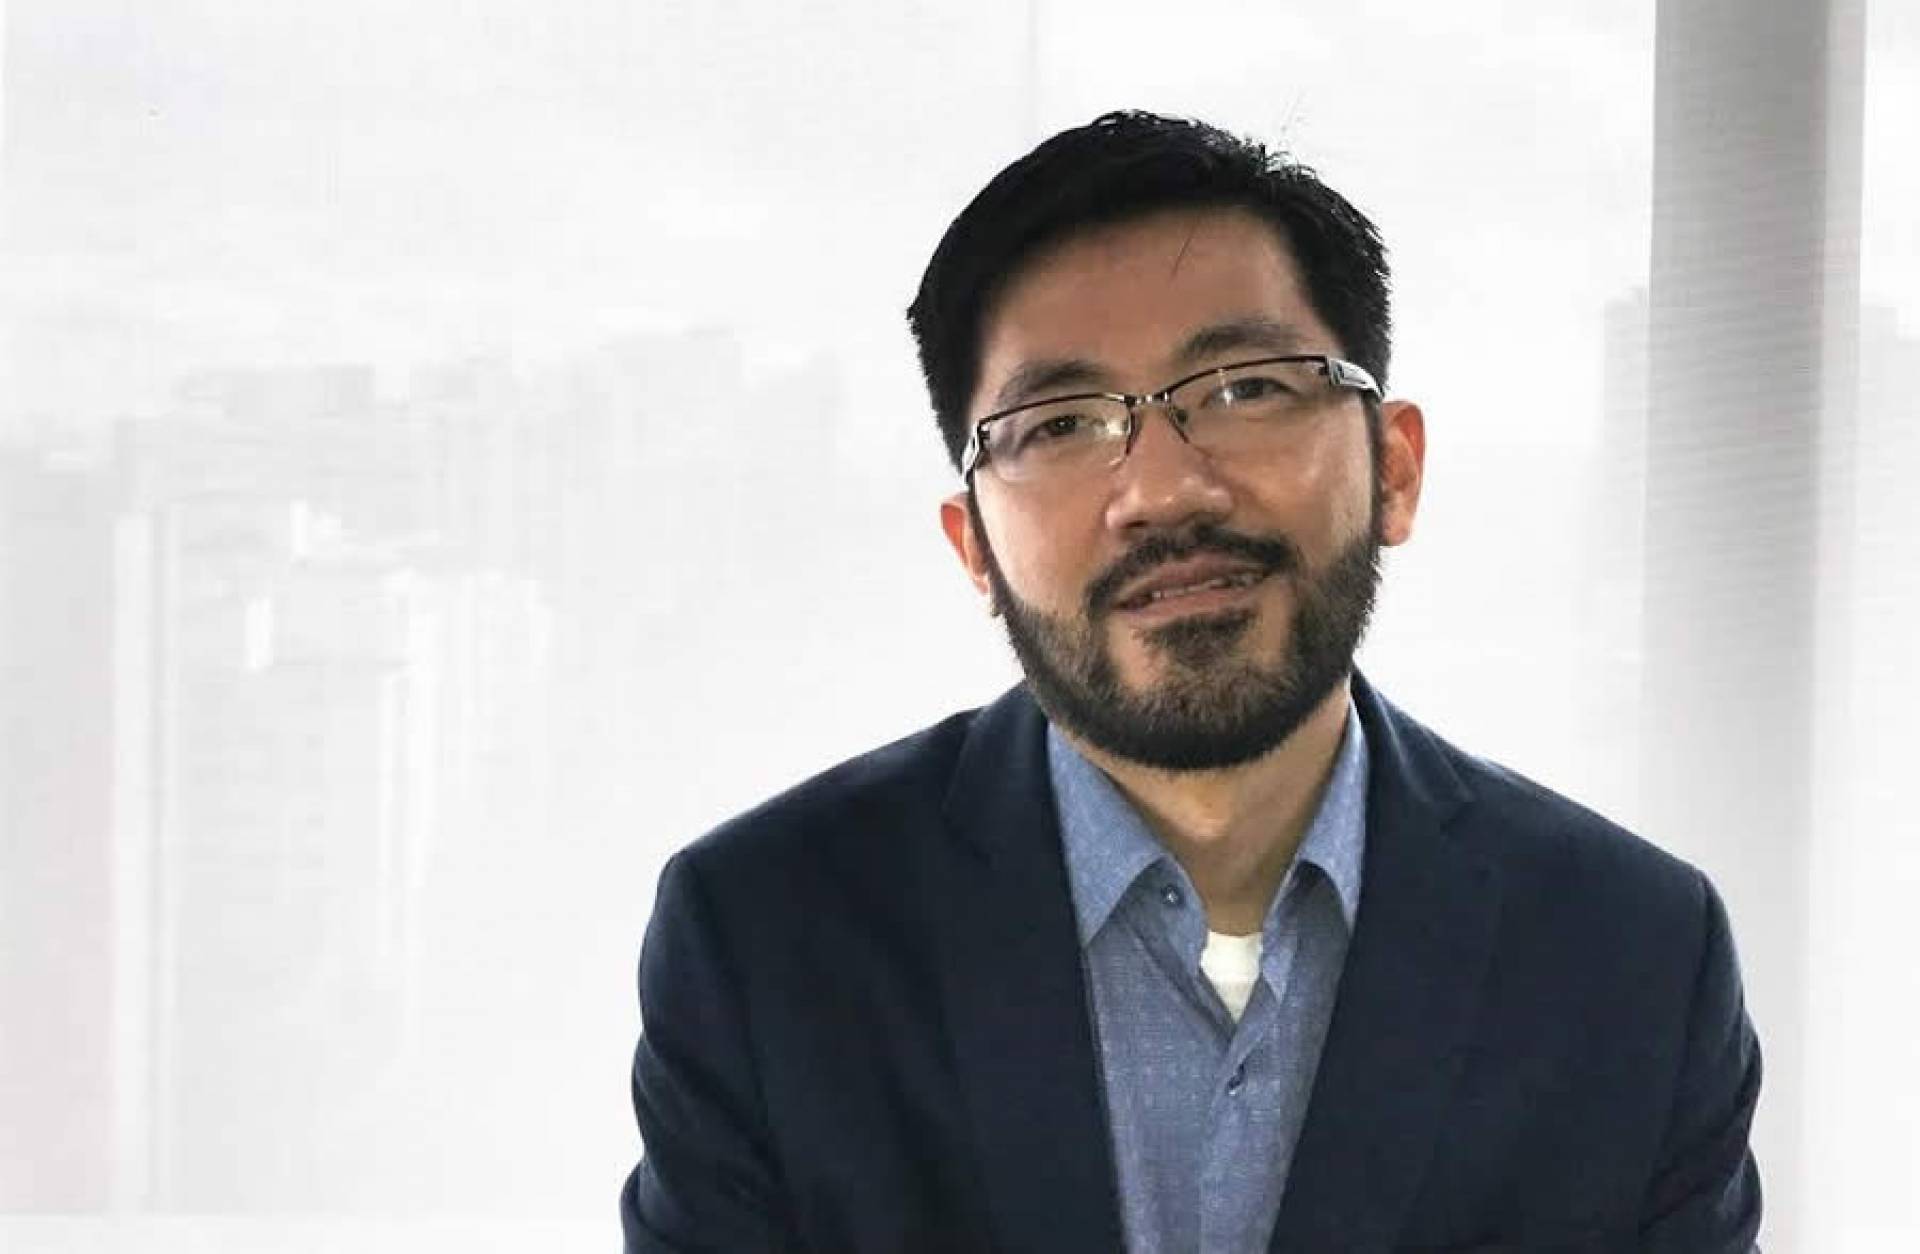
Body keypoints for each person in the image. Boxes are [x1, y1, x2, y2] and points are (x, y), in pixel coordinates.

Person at [619, 110, 1763, 1253]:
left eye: (1245, 390)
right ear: (975, 550)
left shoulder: (1632, 960)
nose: (1163, 491)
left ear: (1395, 468)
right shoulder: (768, 942)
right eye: (1061, 424)